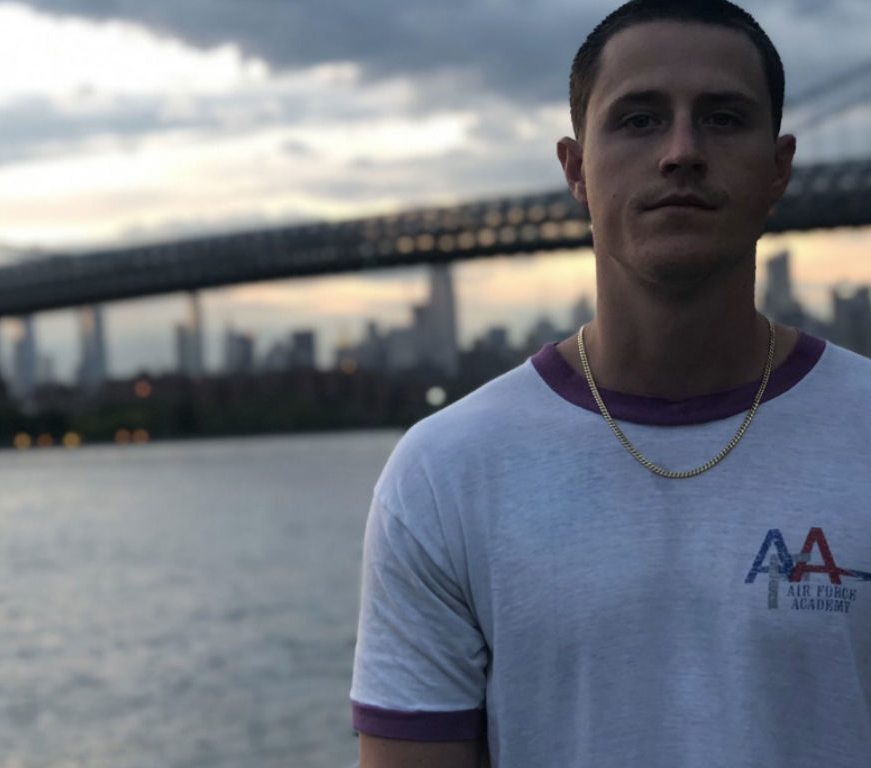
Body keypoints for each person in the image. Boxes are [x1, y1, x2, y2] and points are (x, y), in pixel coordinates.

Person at [349, 1, 871, 766]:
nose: (682, 152)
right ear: (574, 169)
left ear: (780, 169)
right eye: (638, 120)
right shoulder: (443, 474)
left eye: (724, 119)